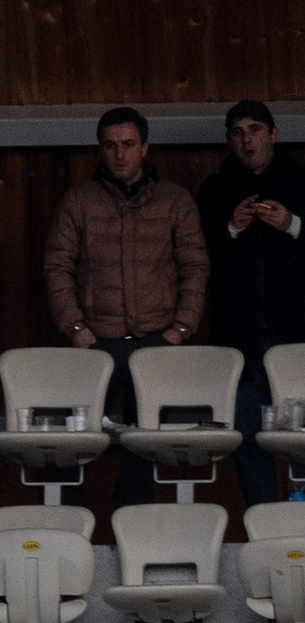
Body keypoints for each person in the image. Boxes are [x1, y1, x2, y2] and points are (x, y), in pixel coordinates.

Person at [43, 106, 209, 508]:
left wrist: (181, 329)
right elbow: (57, 265)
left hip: (157, 340)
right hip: (96, 341)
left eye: (128, 145)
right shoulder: (79, 200)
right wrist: (75, 327)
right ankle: (65, 530)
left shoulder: (174, 200)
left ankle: (129, 534)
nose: (119, 154)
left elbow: (195, 265)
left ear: (145, 148)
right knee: (71, 443)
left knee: (143, 447)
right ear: (101, 149)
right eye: (111, 145)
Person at [197, 97, 305, 507]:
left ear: (274, 134)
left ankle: (300, 528)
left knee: (302, 441)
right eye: (238, 133)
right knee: (247, 440)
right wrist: (231, 227)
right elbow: (194, 258)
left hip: (296, 337)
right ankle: (263, 523)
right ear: (229, 141)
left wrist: (292, 224)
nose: (247, 141)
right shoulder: (215, 190)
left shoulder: (301, 183)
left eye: (255, 130)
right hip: (237, 339)